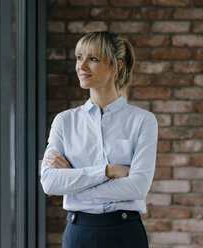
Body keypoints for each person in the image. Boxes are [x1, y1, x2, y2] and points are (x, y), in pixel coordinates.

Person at [41, 31, 158, 248]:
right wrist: (107, 172)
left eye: (93, 59)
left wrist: (74, 183)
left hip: (125, 234)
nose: (81, 66)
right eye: (79, 57)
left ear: (117, 66)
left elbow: (138, 187)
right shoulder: (64, 121)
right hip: (78, 234)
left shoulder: (143, 121)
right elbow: (49, 183)